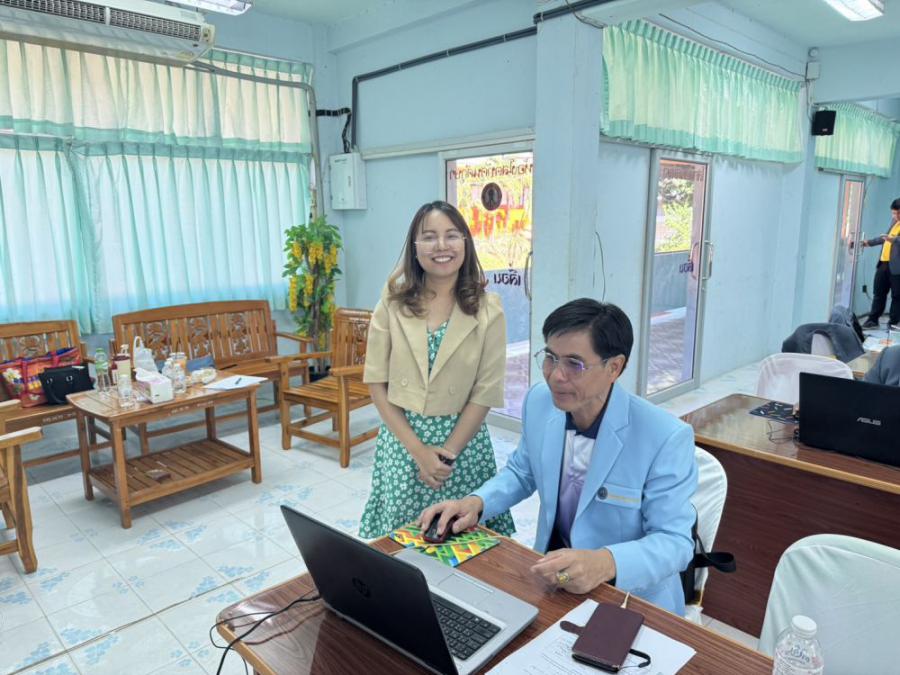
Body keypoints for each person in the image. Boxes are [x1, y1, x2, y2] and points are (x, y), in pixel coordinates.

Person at [419, 299, 698, 615]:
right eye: (550, 358)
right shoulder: (540, 402)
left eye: (574, 364)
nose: (556, 376)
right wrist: (476, 503)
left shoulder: (664, 436)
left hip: (629, 598)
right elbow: (522, 471)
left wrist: (605, 562)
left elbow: (675, 542)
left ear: (614, 368)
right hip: (551, 581)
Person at [359, 200, 515, 539]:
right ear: (415, 248)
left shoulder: (489, 309)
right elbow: (376, 383)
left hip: (462, 445)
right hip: (403, 444)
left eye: (452, 235)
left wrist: (446, 457)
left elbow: (485, 391)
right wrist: (418, 452)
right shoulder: (392, 302)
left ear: (465, 243)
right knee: (401, 544)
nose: (441, 246)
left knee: (464, 540)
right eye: (429, 237)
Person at [861, 198, 900, 330]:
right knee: (878, 292)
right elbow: (885, 238)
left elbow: (893, 239)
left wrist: (893, 239)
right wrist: (868, 243)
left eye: (898, 213)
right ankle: (873, 319)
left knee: (897, 296)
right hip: (884, 263)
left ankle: (893, 322)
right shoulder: (894, 222)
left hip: (897, 267)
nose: (895, 216)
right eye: (894, 213)